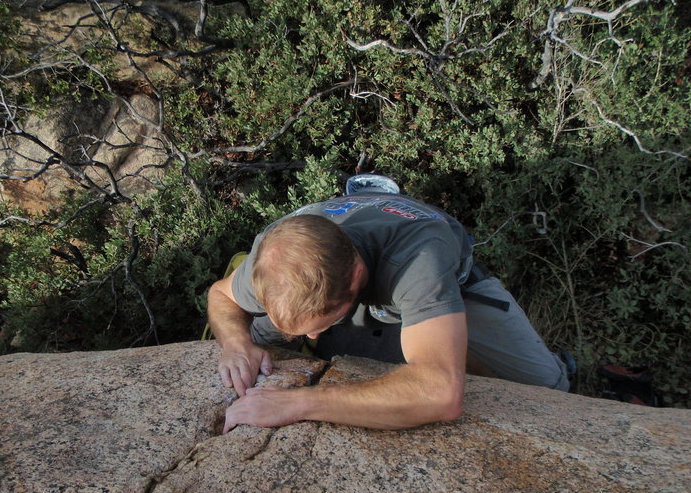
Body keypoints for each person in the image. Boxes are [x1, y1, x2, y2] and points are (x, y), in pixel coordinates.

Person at [207, 174, 570, 434]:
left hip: (436, 275)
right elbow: (220, 295)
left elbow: (441, 394)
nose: (315, 334)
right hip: (343, 264)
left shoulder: (418, 261)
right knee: (256, 338)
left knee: (546, 387)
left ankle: (558, 364)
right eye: (307, 330)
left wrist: (300, 403)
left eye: (320, 323)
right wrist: (236, 344)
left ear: (357, 277)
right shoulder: (275, 258)